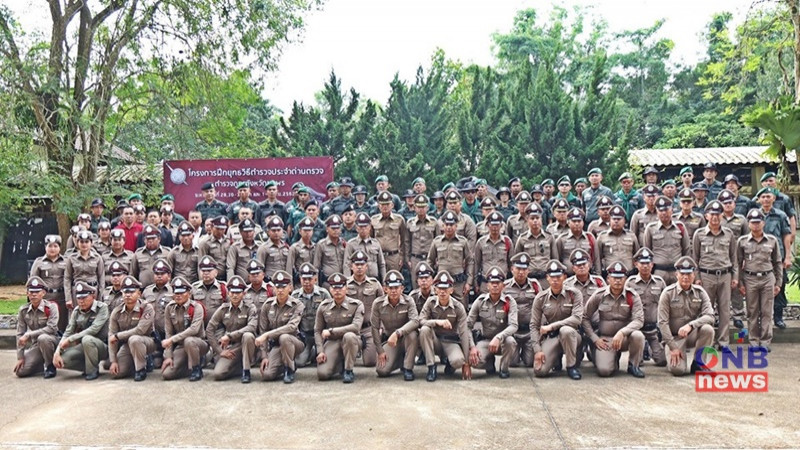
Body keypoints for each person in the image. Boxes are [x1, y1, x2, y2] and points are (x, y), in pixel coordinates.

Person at [582, 262, 645, 378]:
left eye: (621, 278)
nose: (617, 281)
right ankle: (602, 354)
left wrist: (622, 332)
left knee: (638, 336)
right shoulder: (599, 295)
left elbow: (639, 320)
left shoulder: (632, 296)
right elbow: (585, 317)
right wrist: (595, 339)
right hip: (606, 339)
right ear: (608, 279)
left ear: (625, 279)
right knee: (604, 371)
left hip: (624, 338)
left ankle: (633, 365)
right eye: (614, 278)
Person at [657, 256, 715, 376]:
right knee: (678, 371)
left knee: (707, 329)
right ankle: (668, 352)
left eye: (689, 274)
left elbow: (710, 316)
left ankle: (698, 364)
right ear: (676, 275)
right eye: (682, 273)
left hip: (691, 334)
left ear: (694, 275)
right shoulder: (667, 293)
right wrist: (673, 347)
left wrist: (691, 325)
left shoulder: (700, 292)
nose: (685, 277)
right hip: (674, 338)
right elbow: (662, 323)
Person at [692, 200, 737, 349]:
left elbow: (734, 258)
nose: (715, 217)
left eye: (718, 214)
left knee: (724, 310)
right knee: (706, 310)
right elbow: (695, 259)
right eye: (712, 214)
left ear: (722, 216)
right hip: (706, 276)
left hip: (725, 275)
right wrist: (697, 278)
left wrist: (735, 277)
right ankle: (707, 341)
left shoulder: (729, 234)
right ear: (706, 216)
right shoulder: (699, 235)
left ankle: (723, 342)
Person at [737, 209, 782, 350]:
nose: (756, 225)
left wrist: (778, 282)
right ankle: (754, 341)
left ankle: (765, 342)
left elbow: (777, 262)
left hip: (768, 278)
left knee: (767, 311)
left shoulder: (772, 240)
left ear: (763, 223)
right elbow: (738, 263)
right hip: (750, 278)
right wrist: (740, 282)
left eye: (758, 222)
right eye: (753, 222)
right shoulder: (742, 241)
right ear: (749, 224)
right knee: (752, 311)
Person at [531, 260, 583, 380]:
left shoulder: (574, 294)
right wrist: (537, 350)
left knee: (566, 331)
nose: (555, 280)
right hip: (553, 337)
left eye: (558, 277)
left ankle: (571, 366)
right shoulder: (540, 298)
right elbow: (534, 325)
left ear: (564, 277)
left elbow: (577, 318)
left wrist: (552, 326)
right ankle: (556, 358)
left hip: (573, 335)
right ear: (547, 278)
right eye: (552, 277)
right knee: (540, 371)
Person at [418, 271, 474, 381]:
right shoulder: (430, 302)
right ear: (435, 289)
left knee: (458, 361)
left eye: (446, 289)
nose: (443, 292)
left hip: (451, 342)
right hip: (436, 341)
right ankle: (431, 366)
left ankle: (450, 363)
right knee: (424, 330)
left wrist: (466, 363)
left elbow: (464, 333)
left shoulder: (458, 307)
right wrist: (436, 322)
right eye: (440, 288)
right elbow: (421, 320)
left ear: (451, 290)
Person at [467, 267, 518, 378]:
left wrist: (499, 337)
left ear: (503, 286)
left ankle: (504, 368)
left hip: (503, 341)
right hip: (486, 340)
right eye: (492, 283)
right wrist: (472, 347)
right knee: (475, 362)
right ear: (487, 286)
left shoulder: (510, 301)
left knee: (511, 342)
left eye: (498, 283)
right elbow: (467, 325)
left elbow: (514, 325)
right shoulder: (480, 301)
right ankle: (489, 363)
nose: (495, 285)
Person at [255, 271, 305, 383]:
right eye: (277, 287)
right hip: (276, 345)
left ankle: (289, 369)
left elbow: (291, 327)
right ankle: (285, 364)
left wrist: (267, 335)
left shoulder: (297, 305)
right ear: (273, 289)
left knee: (284, 337)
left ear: (290, 288)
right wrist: (264, 356)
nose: (280, 290)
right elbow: (263, 329)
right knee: (266, 375)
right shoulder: (267, 305)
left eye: (283, 287)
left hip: (294, 342)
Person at [52, 282, 109, 380]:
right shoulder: (76, 311)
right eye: (79, 298)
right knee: (63, 360)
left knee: (87, 339)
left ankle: (92, 371)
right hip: (84, 345)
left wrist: (70, 339)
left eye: (84, 298)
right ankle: (87, 367)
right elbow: (68, 332)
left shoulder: (102, 308)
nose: (81, 301)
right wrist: (57, 352)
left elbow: (93, 329)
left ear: (93, 296)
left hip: (102, 347)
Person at [314, 273, 364, 383]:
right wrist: (320, 351)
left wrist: (332, 331)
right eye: (334, 287)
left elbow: (356, 327)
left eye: (340, 287)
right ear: (330, 290)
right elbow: (317, 330)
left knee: (349, 336)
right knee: (323, 374)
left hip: (352, 340)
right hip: (332, 342)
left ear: (346, 288)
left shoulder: (356, 305)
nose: (337, 290)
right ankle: (338, 363)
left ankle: (348, 370)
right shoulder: (323, 306)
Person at [206, 276, 258, 383]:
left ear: (244, 294)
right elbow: (209, 329)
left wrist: (229, 336)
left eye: (238, 292)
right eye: (232, 292)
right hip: (231, 347)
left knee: (248, 335)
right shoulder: (223, 309)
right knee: (218, 374)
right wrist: (219, 351)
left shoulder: (250, 308)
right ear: (228, 293)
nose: (235, 295)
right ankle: (238, 366)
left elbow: (252, 327)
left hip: (247, 344)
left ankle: (246, 371)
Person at [755, 187, 793, 330]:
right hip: (758, 257)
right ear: (758, 199)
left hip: (778, 256)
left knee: (779, 286)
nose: (765, 199)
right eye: (763, 196)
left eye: (768, 196)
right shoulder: (753, 215)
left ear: (774, 198)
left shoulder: (781, 215)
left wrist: (788, 256)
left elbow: (786, 235)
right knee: (758, 288)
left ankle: (778, 317)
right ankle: (760, 319)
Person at [371, 270, 420, 380]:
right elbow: (374, 327)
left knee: (413, 334)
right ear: (385, 289)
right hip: (390, 341)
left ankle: (408, 368)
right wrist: (380, 350)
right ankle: (399, 360)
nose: (393, 291)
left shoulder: (409, 301)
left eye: (396, 287)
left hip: (405, 338)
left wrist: (398, 333)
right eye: (390, 288)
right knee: (381, 371)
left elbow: (415, 321)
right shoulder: (378, 304)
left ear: (402, 288)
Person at [108, 276, 156, 381]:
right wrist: (113, 361)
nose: (128, 295)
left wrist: (118, 336)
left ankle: (141, 369)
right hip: (127, 345)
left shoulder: (146, 308)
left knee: (134, 339)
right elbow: (111, 337)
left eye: (132, 292)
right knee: (116, 373)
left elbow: (140, 330)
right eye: (125, 292)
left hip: (147, 342)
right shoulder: (117, 311)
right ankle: (133, 363)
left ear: (139, 293)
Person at [625, 248, 668, 367]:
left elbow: (665, 306)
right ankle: (640, 347)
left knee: (662, 362)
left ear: (652, 264)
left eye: (648, 263)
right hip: (637, 330)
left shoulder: (660, 282)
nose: (645, 266)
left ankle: (650, 348)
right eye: (642, 263)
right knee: (638, 363)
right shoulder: (630, 283)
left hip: (653, 329)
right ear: (636, 264)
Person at [161, 276, 208, 381]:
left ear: (189, 293)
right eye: (176, 293)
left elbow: (194, 330)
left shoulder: (196, 307)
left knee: (189, 340)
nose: (178, 296)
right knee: (167, 374)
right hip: (181, 346)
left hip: (198, 343)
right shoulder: (170, 308)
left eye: (182, 293)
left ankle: (197, 368)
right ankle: (187, 366)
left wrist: (172, 340)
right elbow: (168, 332)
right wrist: (169, 356)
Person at [14, 276, 59, 378]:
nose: (34, 294)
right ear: (27, 293)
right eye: (31, 292)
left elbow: (51, 328)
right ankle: (39, 363)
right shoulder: (23, 310)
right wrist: (20, 357)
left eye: (37, 292)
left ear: (43, 293)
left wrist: (29, 334)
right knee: (20, 371)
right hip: (37, 345)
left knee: (43, 338)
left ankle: (50, 367)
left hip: (52, 342)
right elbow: (20, 334)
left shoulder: (51, 307)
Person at [346, 251, 385, 367]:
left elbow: (383, 307)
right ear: (351, 266)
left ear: (367, 267)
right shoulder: (345, 285)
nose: (359, 267)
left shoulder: (375, 284)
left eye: (362, 265)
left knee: (370, 362)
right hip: (351, 329)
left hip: (369, 329)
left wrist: (381, 327)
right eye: (356, 265)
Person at [503, 253, 542, 367]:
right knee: (513, 363)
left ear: (528, 270)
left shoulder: (534, 285)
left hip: (529, 332)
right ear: (512, 269)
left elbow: (541, 307)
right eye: (518, 268)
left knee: (530, 363)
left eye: (524, 269)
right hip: (513, 332)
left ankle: (526, 352)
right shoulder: (505, 287)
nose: (521, 272)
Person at [427, 211, 474, 304]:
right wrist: (431, 279)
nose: (449, 227)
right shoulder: (436, 242)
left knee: (461, 307)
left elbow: (470, 261)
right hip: (441, 283)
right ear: (443, 226)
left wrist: (469, 282)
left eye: (452, 224)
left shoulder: (463, 242)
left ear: (456, 226)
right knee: (441, 307)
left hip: (458, 283)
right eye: (447, 224)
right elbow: (430, 261)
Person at [642, 196, 690, 285]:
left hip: (677, 272)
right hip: (659, 272)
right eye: (661, 211)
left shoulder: (680, 227)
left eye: (666, 210)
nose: (664, 213)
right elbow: (647, 251)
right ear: (657, 212)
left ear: (671, 210)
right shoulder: (650, 228)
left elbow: (686, 250)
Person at [291, 263, 332, 368]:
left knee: (324, 363)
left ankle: (317, 351)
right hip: (305, 336)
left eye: (310, 279)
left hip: (321, 336)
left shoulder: (324, 294)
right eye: (304, 279)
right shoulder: (295, 296)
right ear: (300, 279)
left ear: (315, 279)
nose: (307, 282)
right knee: (299, 363)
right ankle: (311, 351)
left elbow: (330, 316)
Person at [513, 203, 557, 289]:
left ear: (541, 219)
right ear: (527, 220)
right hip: (529, 279)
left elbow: (555, 259)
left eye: (537, 218)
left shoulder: (549, 237)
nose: (535, 221)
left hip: (546, 279)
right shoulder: (522, 239)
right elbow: (516, 260)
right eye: (532, 218)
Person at [30, 235, 68, 331]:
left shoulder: (66, 261)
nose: (52, 249)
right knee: (45, 325)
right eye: (50, 246)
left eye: (55, 246)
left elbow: (69, 279)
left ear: (59, 247)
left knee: (62, 325)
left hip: (62, 297)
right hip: (46, 298)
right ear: (45, 247)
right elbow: (33, 281)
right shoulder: (39, 262)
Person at [405, 194, 441, 288]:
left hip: (430, 259)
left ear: (427, 208)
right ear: (414, 208)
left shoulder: (434, 222)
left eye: (423, 207)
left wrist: (437, 258)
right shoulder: (410, 223)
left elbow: (438, 241)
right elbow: (407, 242)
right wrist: (407, 259)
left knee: (430, 285)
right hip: (415, 258)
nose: (421, 209)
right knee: (416, 284)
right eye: (418, 207)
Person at [64, 230, 105, 311]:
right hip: (77, 292)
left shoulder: (97, 258)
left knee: (93, 317)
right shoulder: (72, 258)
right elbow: (67, 278)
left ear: (91, 243)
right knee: (76, 318)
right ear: (77, 242)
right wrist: (68, 298)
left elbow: (101, 278)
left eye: (87, 242)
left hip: (93, 291)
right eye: (81, 242)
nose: (84, 244)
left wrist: (100, 296)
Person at [474, 212, 512, 294]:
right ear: (488, 225)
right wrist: (475, 283)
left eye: (497, 225)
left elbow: (511, 264)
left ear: (501, 226)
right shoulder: (481, 242)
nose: (495, 228)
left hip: (503, 283)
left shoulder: (507, 241)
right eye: (492, 225)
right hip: (486, 283)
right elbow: (476, 264)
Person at [554, 208, 600, 276]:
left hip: (588, 275)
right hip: (568, 276)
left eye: (579, 221)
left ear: (583, 223)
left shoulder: (589, 237)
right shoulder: (561, 239)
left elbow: (596, 259)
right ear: (569, 223)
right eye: (574, 221)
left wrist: (598, 275)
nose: (577, 224)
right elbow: (557, 259)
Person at [371, 191, 407, 272]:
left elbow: (404, 240)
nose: (385, 207)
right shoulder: (373, 220)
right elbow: (371, 239)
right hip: (378, 256)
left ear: (392, 205)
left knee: (394, 280)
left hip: (394, 257)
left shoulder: (399, 219)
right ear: (379, 206)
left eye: (387, 204)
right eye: (382, 204)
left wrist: (402, 257)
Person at [595, 205, 639, 273]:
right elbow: (597, 258)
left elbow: (637, 256)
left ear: (624, 221)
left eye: (619, 219)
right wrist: (599, 274)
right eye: (614, 219)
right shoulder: (602, 237)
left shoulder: (631, 236)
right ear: (609, 220)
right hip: (610, 276)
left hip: (629, 274)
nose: (616, 221)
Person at [343, 213, 386, 280]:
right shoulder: (351, 244)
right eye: (360, 227)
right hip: (357, 280)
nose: (363, 229)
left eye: (365, 227)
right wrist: (348, 281)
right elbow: (347, 265)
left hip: (374, 279)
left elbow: (381, 264)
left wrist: (384, 280)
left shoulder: (375, 243)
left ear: (369, 227)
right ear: (356, 228)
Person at [313, 215, 347, 287]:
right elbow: (316, 267)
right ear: (327, 229)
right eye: (333, 228)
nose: (336, 230)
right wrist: (316, 286)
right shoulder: (321, 245)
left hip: (342, 283)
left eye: (338, 228)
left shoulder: (344, 244)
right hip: (328, 283)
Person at [192, 256, 227, 323]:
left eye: (209, 270)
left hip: (218, 327)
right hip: (198, 327)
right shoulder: (194, 287)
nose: (206, 273)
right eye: (203, 270)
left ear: (216, 272)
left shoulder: (223, 287)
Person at [256, 216, 291, 281]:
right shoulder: (263, 248)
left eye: (278, 230)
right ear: (268, 232)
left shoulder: (286, 247)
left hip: (284, 282)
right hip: (270, 282)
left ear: (282, 231)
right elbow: (259, 269)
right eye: (273, 230)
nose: (276, 233)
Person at [198, 216, 230, 281]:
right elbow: (200, 265)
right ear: (212, 228)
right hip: (212, 279)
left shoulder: (228, 242)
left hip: (226, 277)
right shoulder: (205, 243)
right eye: (218, 229)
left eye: (222, 229)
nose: (220, 231)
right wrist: (201, 281)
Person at [286, 217, 316, 281]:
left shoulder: (315, 247)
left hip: (312, 281)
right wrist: (290, 284)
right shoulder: (294, 248)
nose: (307, 233)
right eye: (305, 230)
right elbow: (289, 268)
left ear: (312, 231)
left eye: (309, 230)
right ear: (300, 231)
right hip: (299, 282)